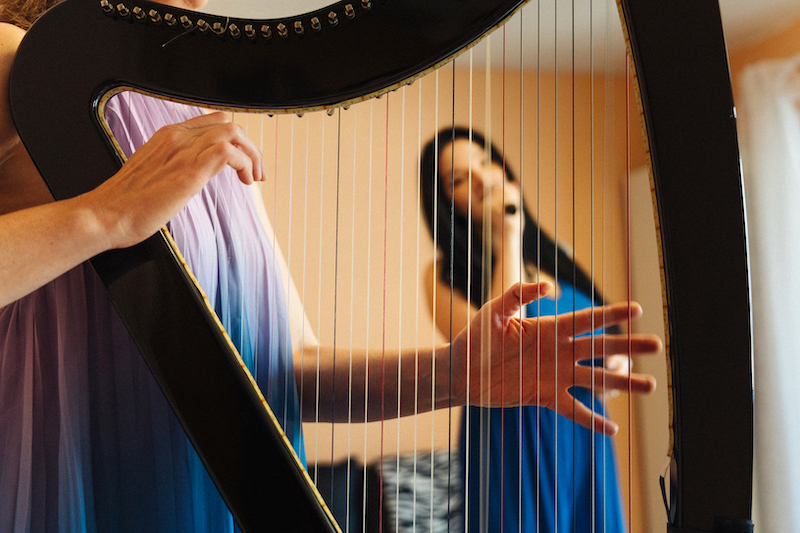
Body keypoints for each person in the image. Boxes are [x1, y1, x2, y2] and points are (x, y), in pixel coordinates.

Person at [0, 2, 660, 531]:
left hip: (216, 498)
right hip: (69, 493)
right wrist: (104, 217)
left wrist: (451, 374)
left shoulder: (206, 132)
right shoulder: (13, 63)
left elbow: (285, 368)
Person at [420, 126, 635, 532]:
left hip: (583, 439)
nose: (483, 179)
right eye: (461, 179)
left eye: (485, 162)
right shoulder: (442, 275)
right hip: (510, 444)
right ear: (446, 202)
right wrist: (509, 235)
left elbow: (605, 347)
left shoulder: (558, 259)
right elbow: (500, 347)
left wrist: (614, 365)